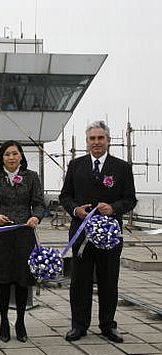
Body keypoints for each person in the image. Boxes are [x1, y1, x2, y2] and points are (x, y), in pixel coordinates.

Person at [60, 120, 136, 343]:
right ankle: (79, 325)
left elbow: (130, 199)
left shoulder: (122, 168)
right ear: (87, 142)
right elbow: (65, 196)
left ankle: (108, 325)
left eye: (100, 138)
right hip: (81, 234)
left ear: (108, 140)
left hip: (110, 236)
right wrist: (75, 210)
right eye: (92, 139)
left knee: (109, 281)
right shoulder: (76, 165)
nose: (96, 142)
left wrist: (114, 208)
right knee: (80, 282)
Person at [0, 140, 45, 343]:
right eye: (7, 154)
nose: (11, 157)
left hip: (24, 235)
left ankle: (20, 321)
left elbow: (39, 203)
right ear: (2, 157)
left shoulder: (32, 177)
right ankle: (3, 320)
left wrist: (36, 217)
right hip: (2, 235)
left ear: (21, 156)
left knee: (22, 279)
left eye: (15, 154)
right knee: (4, 280)